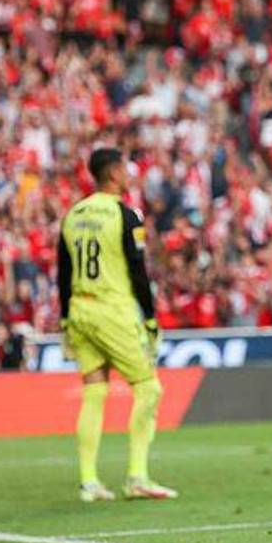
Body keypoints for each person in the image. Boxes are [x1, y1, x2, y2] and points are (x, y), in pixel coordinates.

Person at [58, 147, 177, 502]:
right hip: (113, 311)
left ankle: (88, 480)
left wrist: (65, 318)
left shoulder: (73, 214)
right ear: (112, 173)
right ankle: (137, 476)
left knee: (94, 392)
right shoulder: (125, 216)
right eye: (125, 169)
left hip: (79, 310)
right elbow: (138, 272)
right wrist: (152, 317)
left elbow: (62, 273)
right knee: (148, 388)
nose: (129, 174)